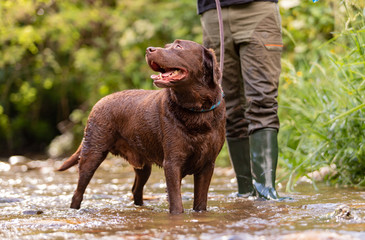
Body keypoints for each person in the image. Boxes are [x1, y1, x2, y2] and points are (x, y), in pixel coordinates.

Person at [197, 0, 284, 200]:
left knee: (263, 101)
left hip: (257, 9)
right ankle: (245, 190)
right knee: (228, 107)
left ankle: (266, 190)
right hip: (212, 13)